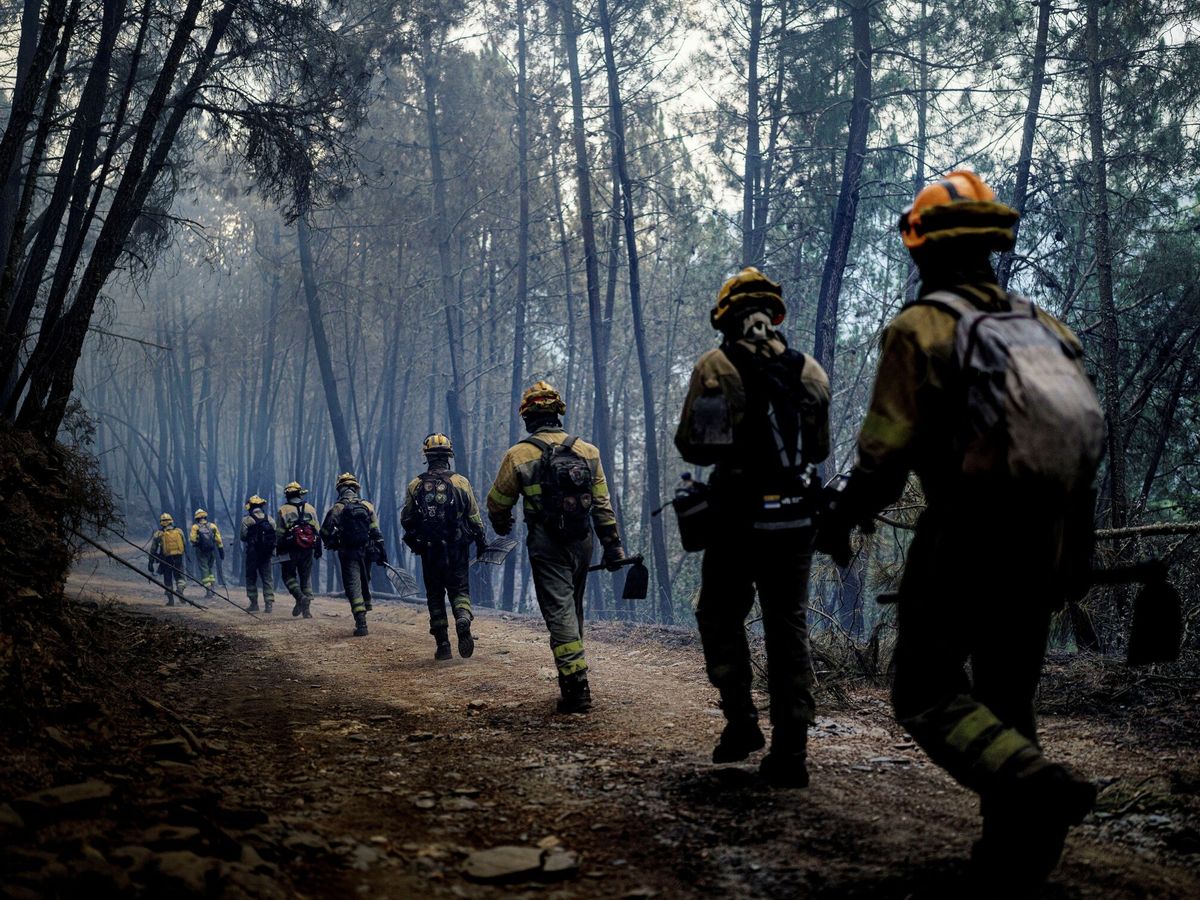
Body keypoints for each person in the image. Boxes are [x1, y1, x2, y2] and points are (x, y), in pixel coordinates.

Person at [815, 171, 1103, 882]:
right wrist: (1077, 551)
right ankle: (1018, 855)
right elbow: (1084, 450)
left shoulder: (922, 329)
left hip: (965, 537)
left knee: (924, 692)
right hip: (1045, 537)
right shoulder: (1048, 327)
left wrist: (841, 520)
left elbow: (883, 452)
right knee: (1008, 694)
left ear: (924, 250)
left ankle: (1031, 780)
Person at [674, 267, 830, 787]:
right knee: (789, 628)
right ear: (773, 315)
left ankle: (741, 722)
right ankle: (792, 753)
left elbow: (697, 447)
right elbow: (821, 450)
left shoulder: (716, 367)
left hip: (738, 522)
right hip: (796, 521)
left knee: (719, 615)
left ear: (727, 317)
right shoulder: (810, 371)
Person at [487, 381, 625, 714]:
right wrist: (612, 546)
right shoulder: (588, 452)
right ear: (558, 413)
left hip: (546, 543)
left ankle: (577, 689)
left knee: (560, 612)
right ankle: (572, 673)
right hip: (583, 541)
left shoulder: (518, 455)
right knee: (572, 608)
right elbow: (603, 504)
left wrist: (502, 523)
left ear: (527, 417)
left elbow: (497, 502)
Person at [401, 433, 488, 660]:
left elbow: (406, 519)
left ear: (427, 457)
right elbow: (474, 517)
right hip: (457, 548)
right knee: (460, 590)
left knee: (435, 595)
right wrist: (481, 542)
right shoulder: (461, 482)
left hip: (430, 551)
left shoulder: (416, 484)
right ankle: (462, 616)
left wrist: (419, 536)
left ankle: (443, 645)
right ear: (449, 455)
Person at [320, 472, 385, 637]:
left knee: (352, 584)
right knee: (365, 579)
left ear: (340, 489)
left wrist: (332, 541)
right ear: (356, 488)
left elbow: (325, 531)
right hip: (367, 550)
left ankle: (361, 622)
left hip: (348, 551)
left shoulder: (337, 507)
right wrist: (381, 550)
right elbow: (375, 530)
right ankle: (366, 604)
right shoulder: (367, 506)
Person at [276, 481, 321, 619]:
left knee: (288, 575)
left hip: (290, 548)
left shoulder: (284, 510)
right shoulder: (310, 508)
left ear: (287, 495)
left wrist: (279, 548)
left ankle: (300, 597)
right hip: (308, 548)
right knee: (305, 577)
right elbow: (317, 530)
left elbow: (279, 532)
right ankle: (306, 610)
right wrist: (318, 547)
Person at [241, 495, 277, 613]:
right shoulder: (270, 519)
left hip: (252, 554)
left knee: (251, 578)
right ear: (261, 506)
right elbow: (275, 536)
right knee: (267, 578)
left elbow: (243, 536)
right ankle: (269, 604)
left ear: (250, 507)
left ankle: (254, 604)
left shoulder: (247, 520)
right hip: (266, 554)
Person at [149, 513, 186, 606]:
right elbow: (184, 544)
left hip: (166, 560)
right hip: (178, 558)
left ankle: (171, 601)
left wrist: (151, 562)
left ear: (161, 523)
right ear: (171, 521)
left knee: (168, 579)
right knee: (180, 577)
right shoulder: (179, 531)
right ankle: (180, 590)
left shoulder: (158, 534)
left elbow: (153, 549)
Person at [189, 509, 224, 598]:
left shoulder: (195, 527)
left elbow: (192, 539)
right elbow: (218, 539)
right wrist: (221, 550)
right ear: (205, 517)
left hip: (201, 551)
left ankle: (208, 590)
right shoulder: (212, 526)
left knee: (204, 569)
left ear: (196, 518)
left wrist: (197, 543)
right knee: (210, 568)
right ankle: (212, 588)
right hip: (211, 550)